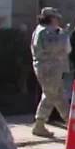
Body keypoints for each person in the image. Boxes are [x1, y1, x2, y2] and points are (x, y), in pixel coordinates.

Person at [30, 7, 70, 137]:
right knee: (50, 96)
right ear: (51, 18)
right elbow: (53, 47)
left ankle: (70, 120)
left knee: (58, 95)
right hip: (48, 69)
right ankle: (39, 124)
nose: (57, 20)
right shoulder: (44, 32)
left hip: (51, 68)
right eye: (56, 18)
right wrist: (64, 35)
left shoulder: (44, 30)